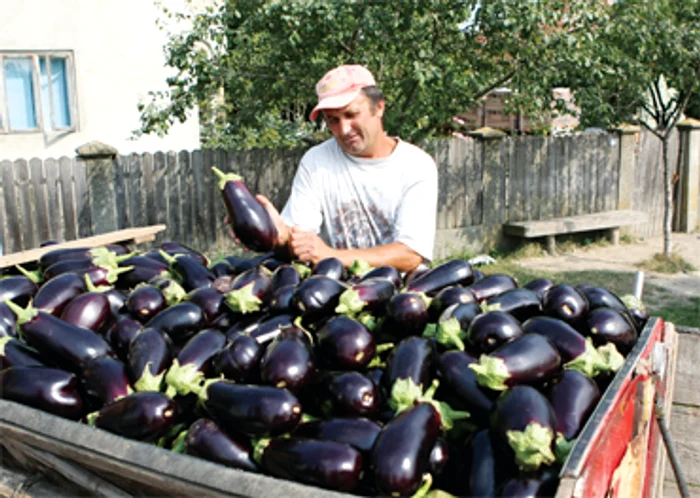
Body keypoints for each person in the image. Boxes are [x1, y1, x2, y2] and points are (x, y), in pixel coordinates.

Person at [252, 64, 438, 273]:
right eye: (333, 120)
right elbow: (301, 241)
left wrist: (329, 255)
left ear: (379, 107)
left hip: (399, 296)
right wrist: (277, 234)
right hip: (331, 291)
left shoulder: (416, 165)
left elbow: (410, 254)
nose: (344, 129)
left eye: (351, 114)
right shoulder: (317, 161)